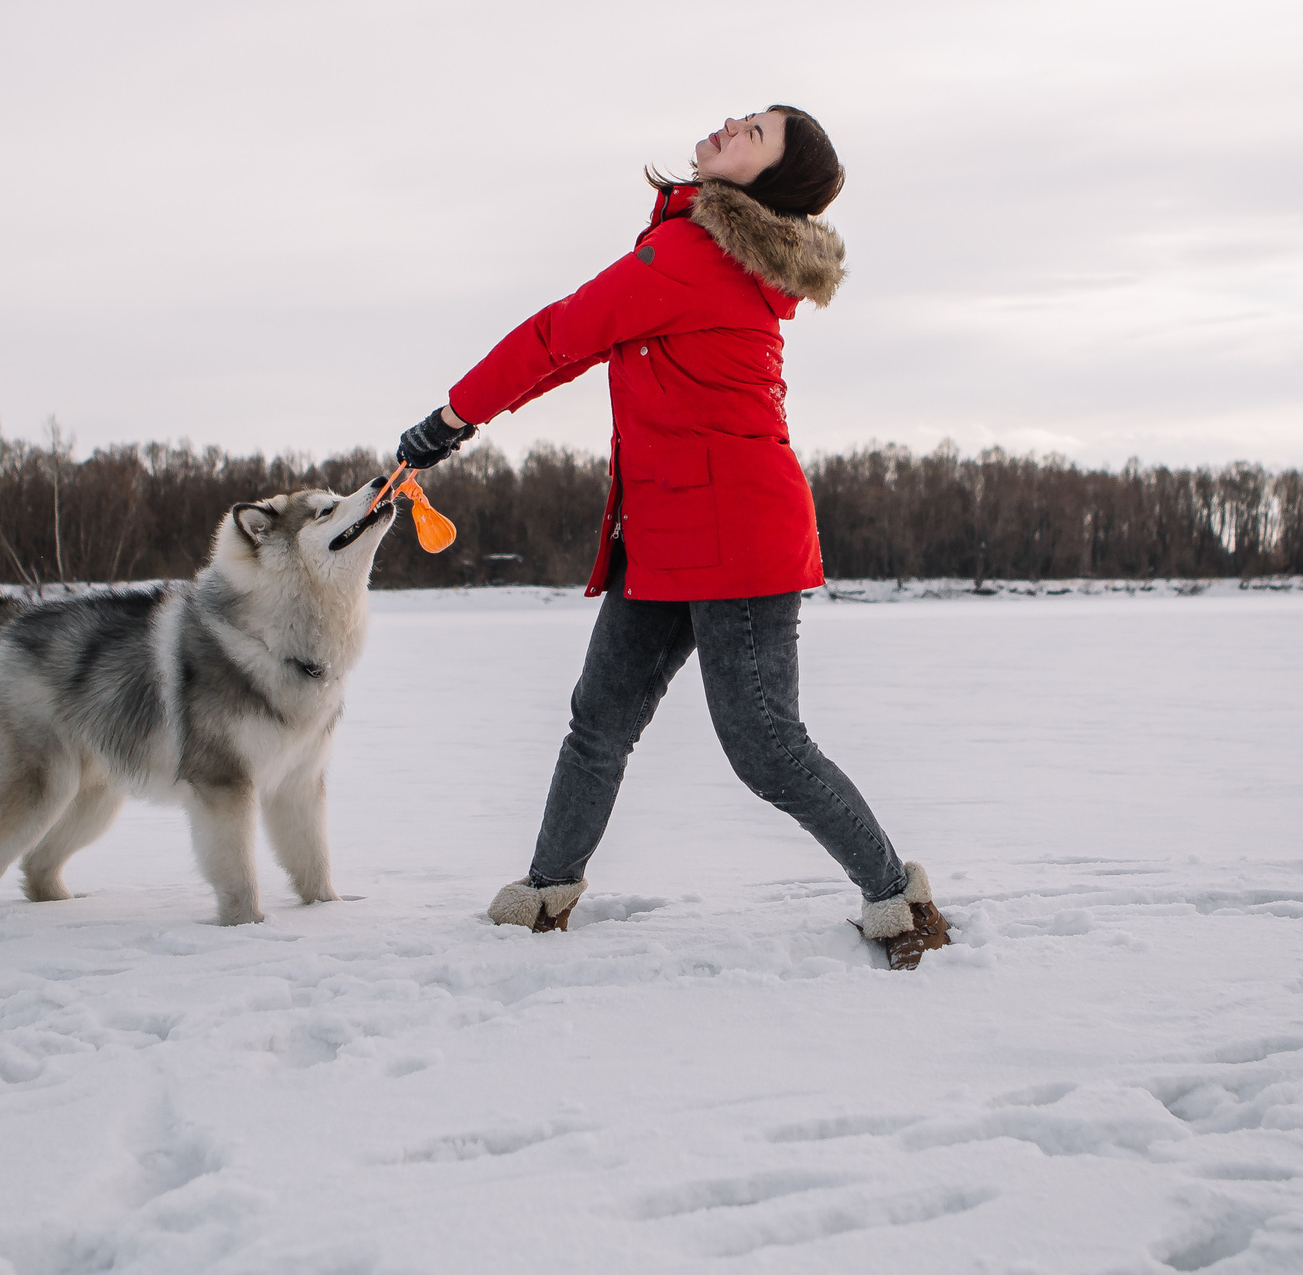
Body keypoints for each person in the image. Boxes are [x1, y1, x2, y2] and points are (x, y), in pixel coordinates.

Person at [392, 106, 951, 969]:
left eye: (756, 133)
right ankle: (546, 891)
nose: (733, 123)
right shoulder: (698, 251)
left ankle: (897, 898)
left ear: (765, 183)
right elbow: (580, 346)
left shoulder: (693, 255)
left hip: (736, 537)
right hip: (664, 532)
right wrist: (462, 421)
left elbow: (559, 333)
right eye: (749, 115)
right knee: (599, 719)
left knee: (766, 747)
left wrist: (449, 417)